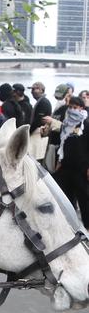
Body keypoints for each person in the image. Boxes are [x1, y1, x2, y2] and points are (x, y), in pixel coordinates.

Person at [53, 95, 88, 228]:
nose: (73, 110)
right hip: (66, 166)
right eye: (71, 107)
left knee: (84, 198)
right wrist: (59, 162)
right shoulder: (66, 124)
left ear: (81, 108)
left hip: (81, 168)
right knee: (66, 197)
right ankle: (71, 225)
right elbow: (62, 145)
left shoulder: (86, 123)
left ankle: (87, 226)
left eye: (75, 107)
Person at [29, 81, 52, 163]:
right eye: (31, 90)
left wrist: (28, 132)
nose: (32, 92)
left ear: (41, 90)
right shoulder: (41, 101)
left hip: (39, 132)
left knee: (35, 158)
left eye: (34, 89)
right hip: (38, 132)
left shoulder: (43, 102)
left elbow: (38, 120)